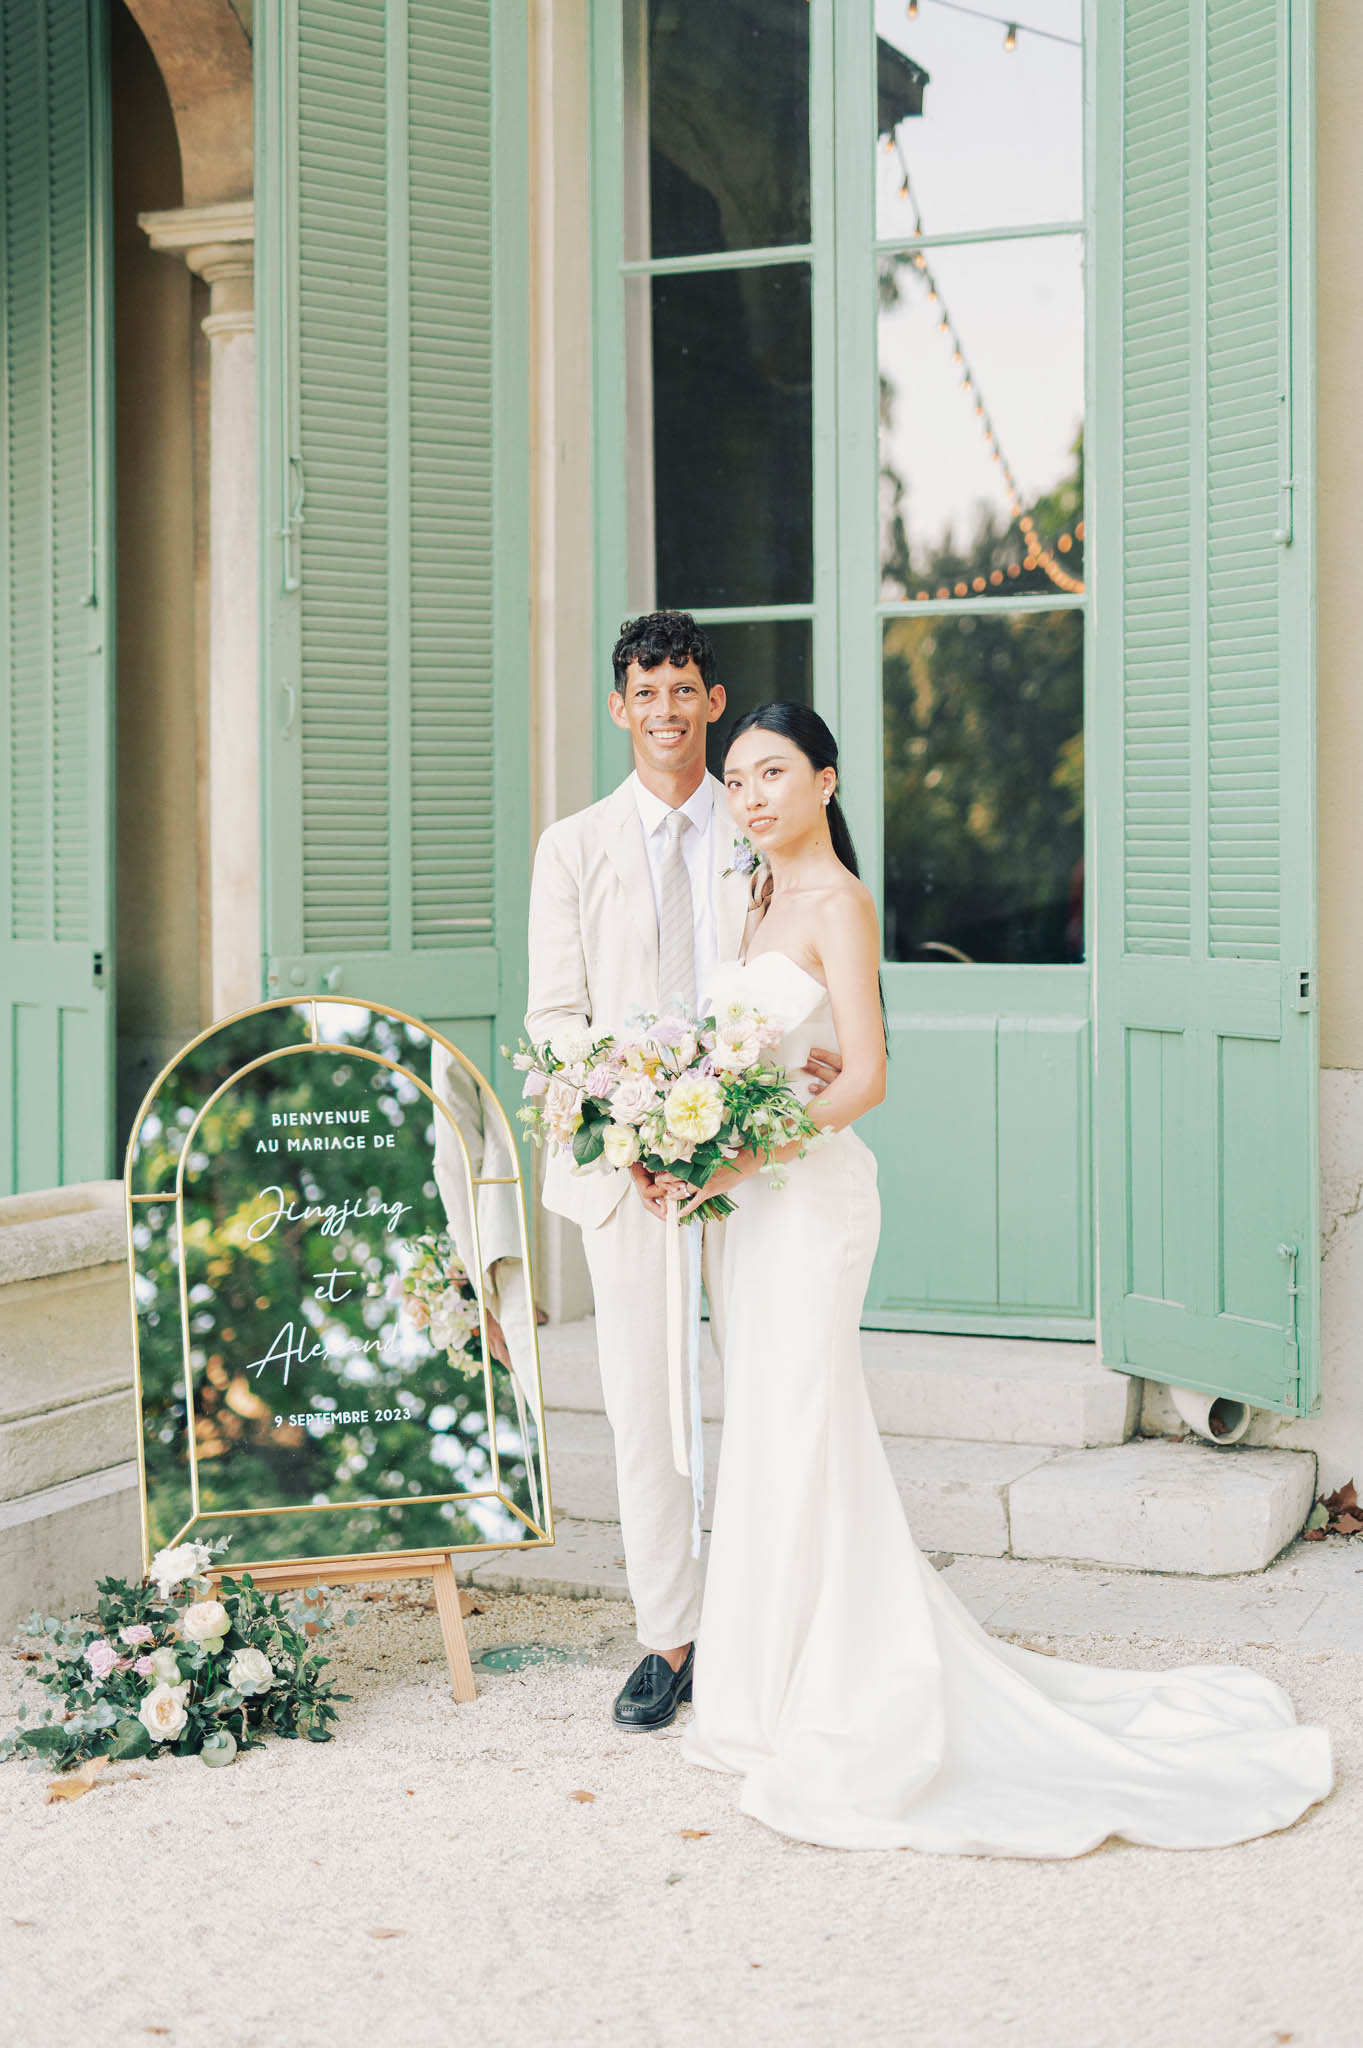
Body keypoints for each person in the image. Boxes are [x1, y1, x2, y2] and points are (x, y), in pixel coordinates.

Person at [675, 699, 1334, 1856]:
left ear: (825, 781)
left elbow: (867, 1077)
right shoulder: (755, 897)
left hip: (810, 1198)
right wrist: (696, 1131)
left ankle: (823, 1681)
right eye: (734, 781)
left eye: (771, 771)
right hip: (754, 1201)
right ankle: (764, 1679)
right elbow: (782, 1055)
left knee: (798, 1414)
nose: (750, 796)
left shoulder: (838, 900)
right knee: (775, 1429)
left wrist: (743, 1145)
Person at [524, 615, 841, 1730]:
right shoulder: (570, 847)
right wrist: (636, 1126)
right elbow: (555, 1019)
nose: (664, 709)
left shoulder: (758, 825)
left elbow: (801, 977)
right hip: (626, 1173)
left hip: (753, 1157)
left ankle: (772, 1617)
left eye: (683, 690)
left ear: (713, 701)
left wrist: (776, 1089)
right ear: (619, 707)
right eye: (644, 691)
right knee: (643, 1404)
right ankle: (668, 1633)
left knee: (766, 1380)